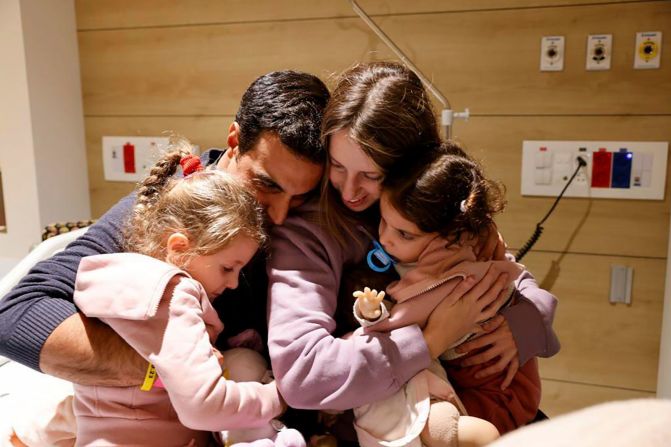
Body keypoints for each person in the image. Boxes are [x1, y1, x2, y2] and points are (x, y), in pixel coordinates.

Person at [0, 70, 329, 444]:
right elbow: (17, 316)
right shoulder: (175, 208)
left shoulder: (319, 218)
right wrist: (166, 369)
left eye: (301, 197)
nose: (280, 216)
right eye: (266, 184)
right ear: (234, 140)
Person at [267, 62, 559, 443]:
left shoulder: (436, 210)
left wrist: (521, 326)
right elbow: (303, 375)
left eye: (371, 176)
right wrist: (432, 338)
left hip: (492, 399)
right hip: (398, 421)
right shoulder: (307, 234)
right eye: (337, 167)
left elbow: (511, 277)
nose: (350, 191)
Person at [70, 138, 305, 446]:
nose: (234, 283)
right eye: (227, 268)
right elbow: (203, 406)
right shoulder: (175, 295)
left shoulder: (121, 285)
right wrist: (277, 395)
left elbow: (85, 404)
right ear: (179, 248)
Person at [350, 143, 547, 447]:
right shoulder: (464, 235)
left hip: (498, 389)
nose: (386, 238)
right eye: (384, 221)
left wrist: (372, 317)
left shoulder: (449, 272)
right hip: (490, 379)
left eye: (404, 234)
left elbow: (400, 321)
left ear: (451, 237)